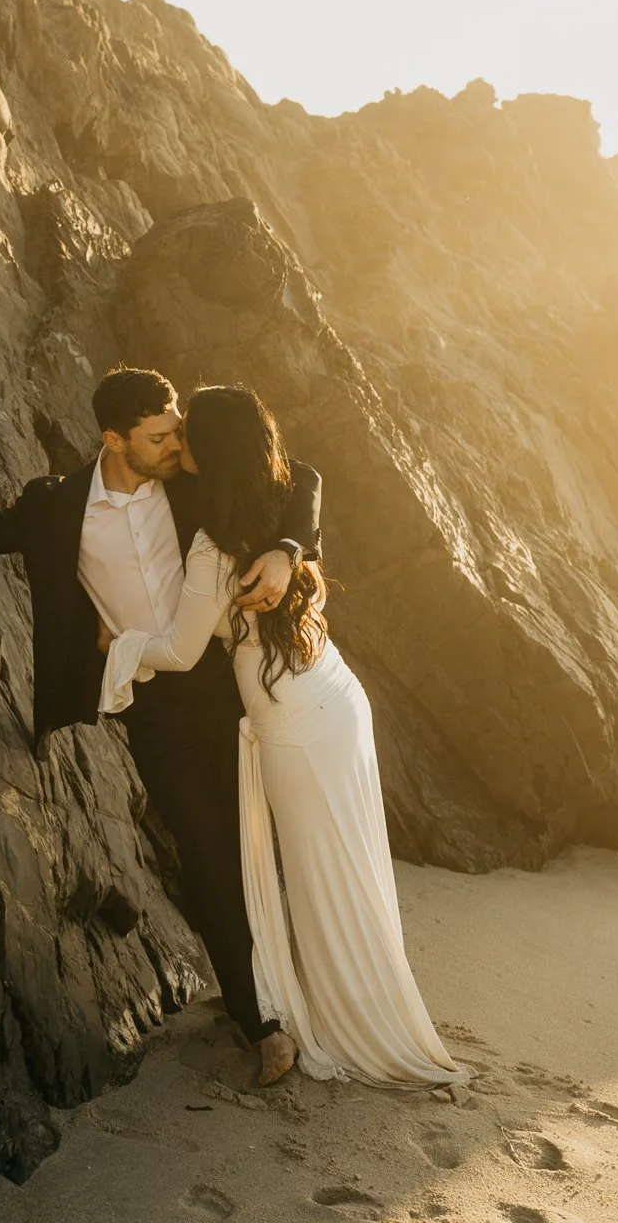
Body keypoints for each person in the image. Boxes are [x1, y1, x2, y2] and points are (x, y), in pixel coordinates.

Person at [0, 365, 323, 1086]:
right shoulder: (59, 505)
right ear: (112, 439)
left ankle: (289, 985)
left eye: (176, 431)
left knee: (265, 842)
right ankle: (261, 1024)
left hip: (231, 693)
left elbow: (299, 476)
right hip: (153, 710)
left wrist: (289, 551)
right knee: (205, 852)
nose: (175, 444)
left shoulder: (187, 482)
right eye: (159, 436)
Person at [99, 383, 467, 1089]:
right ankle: (366, 1003)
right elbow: (302, 475)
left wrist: (117, 645)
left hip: (290, 727)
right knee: (351, 867)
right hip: (335, 697)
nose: (177, 446)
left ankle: (339, 1021)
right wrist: (291, 547)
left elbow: (177, 651)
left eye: (187, 437)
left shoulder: (217, 544)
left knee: (317, 875)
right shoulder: (270, 508)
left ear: (211, 450)